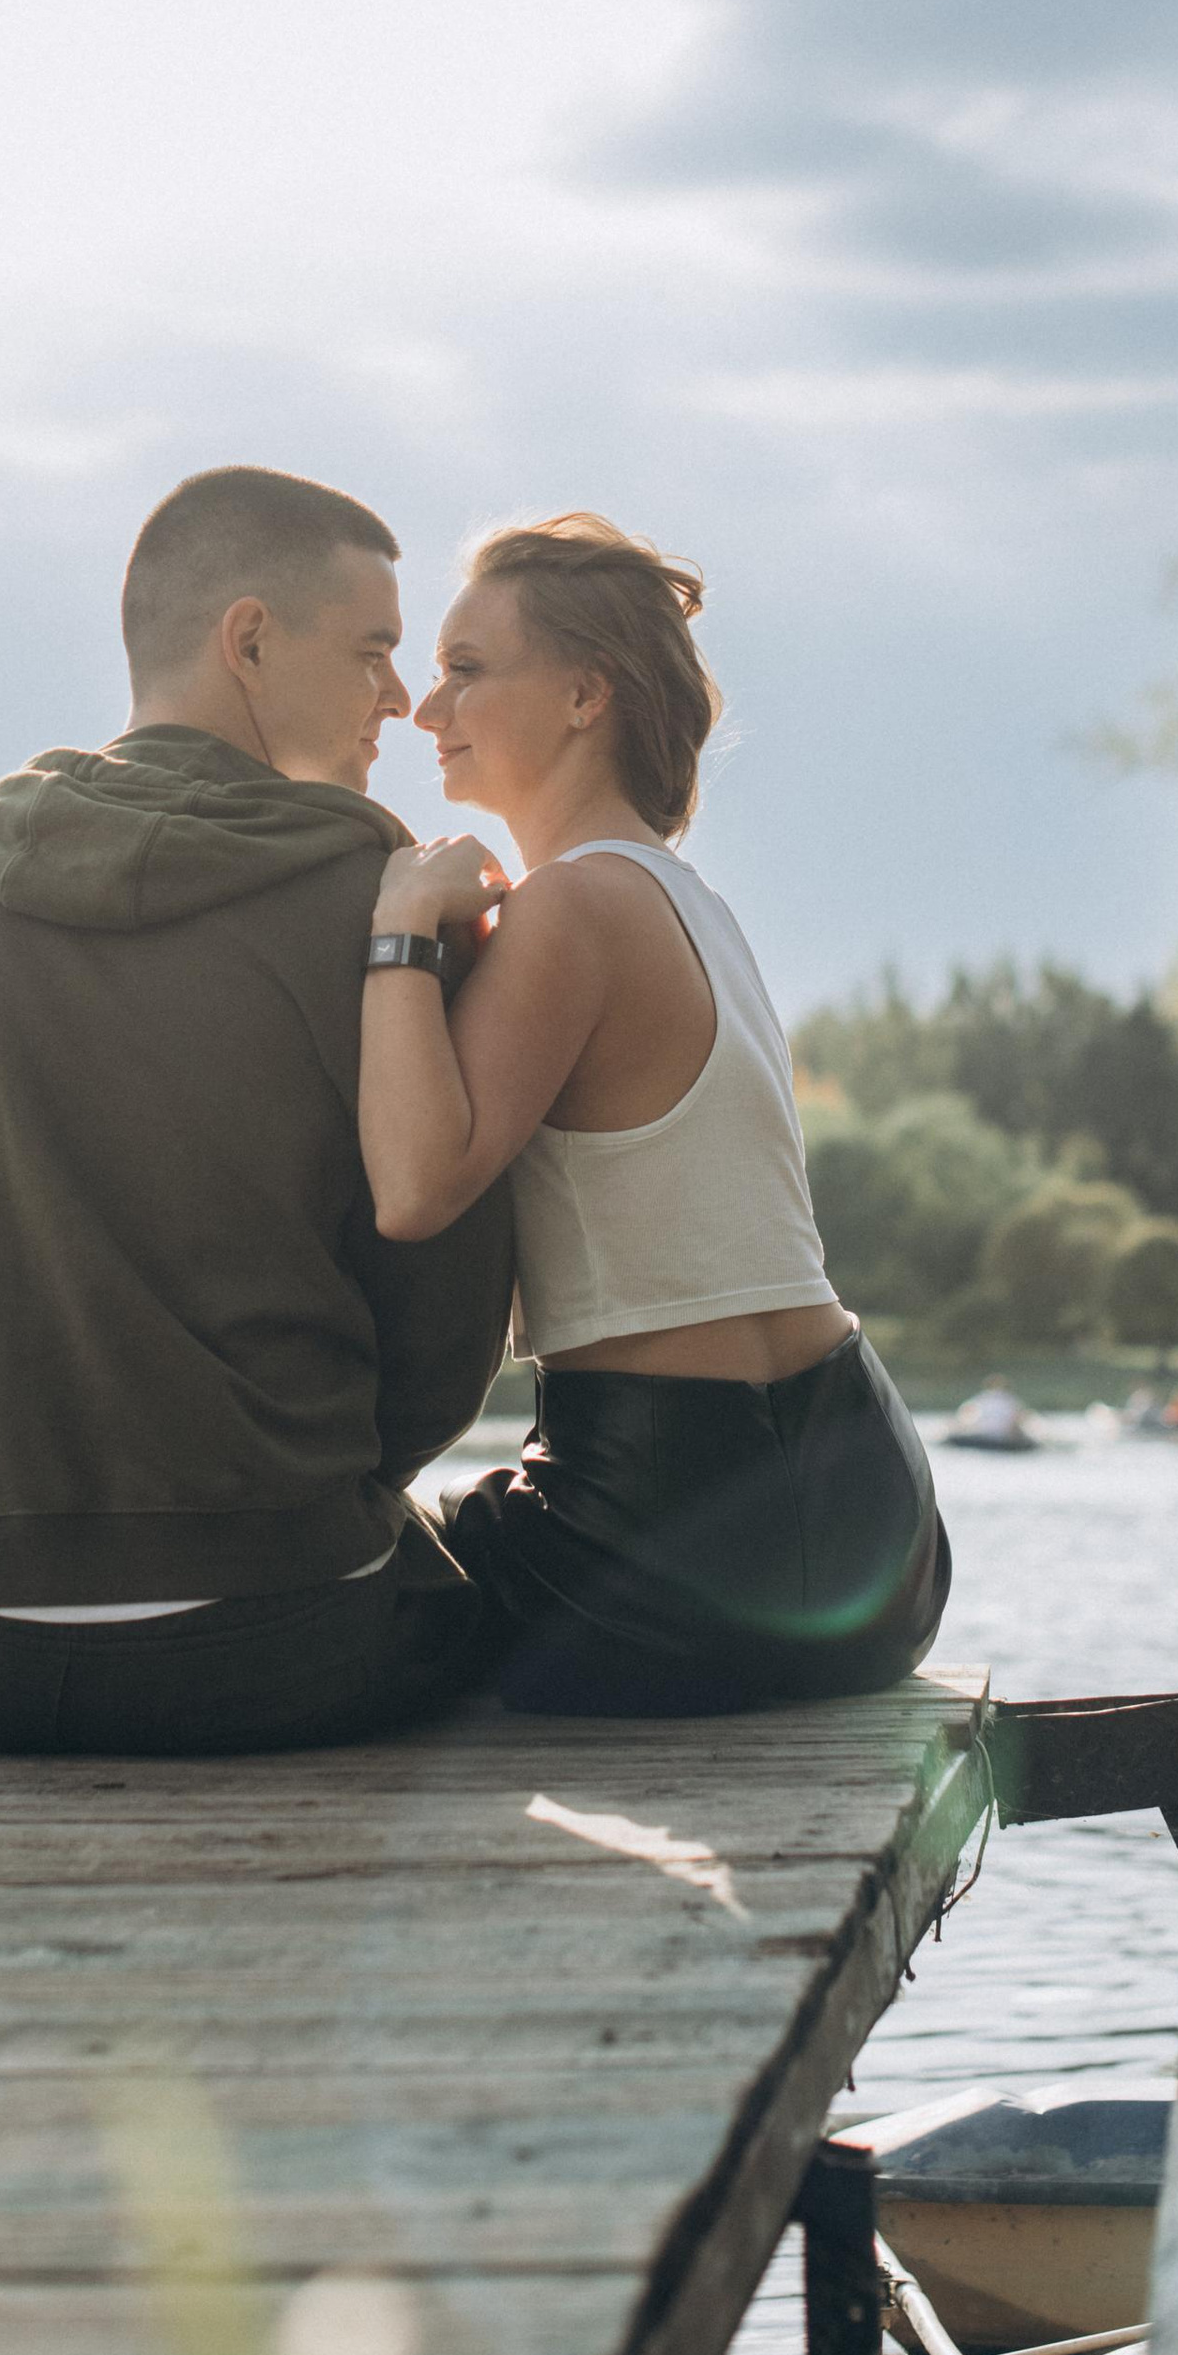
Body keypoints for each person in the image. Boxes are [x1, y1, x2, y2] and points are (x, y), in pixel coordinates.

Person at [0, 466, 514, 1755]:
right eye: (375, 651)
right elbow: (444, 1354)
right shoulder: (383, 916)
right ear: (249, 640)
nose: (400, 696)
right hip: (282, 1641)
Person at [358, 514, 949, 1716]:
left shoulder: (569, 909)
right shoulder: (690, 903)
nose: (427, 712)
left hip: (669, 1551)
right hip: (876, 1535)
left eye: (466, 670)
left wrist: (398, 929)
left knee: (306, 1591)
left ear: (585, 696)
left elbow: (416, 1189)